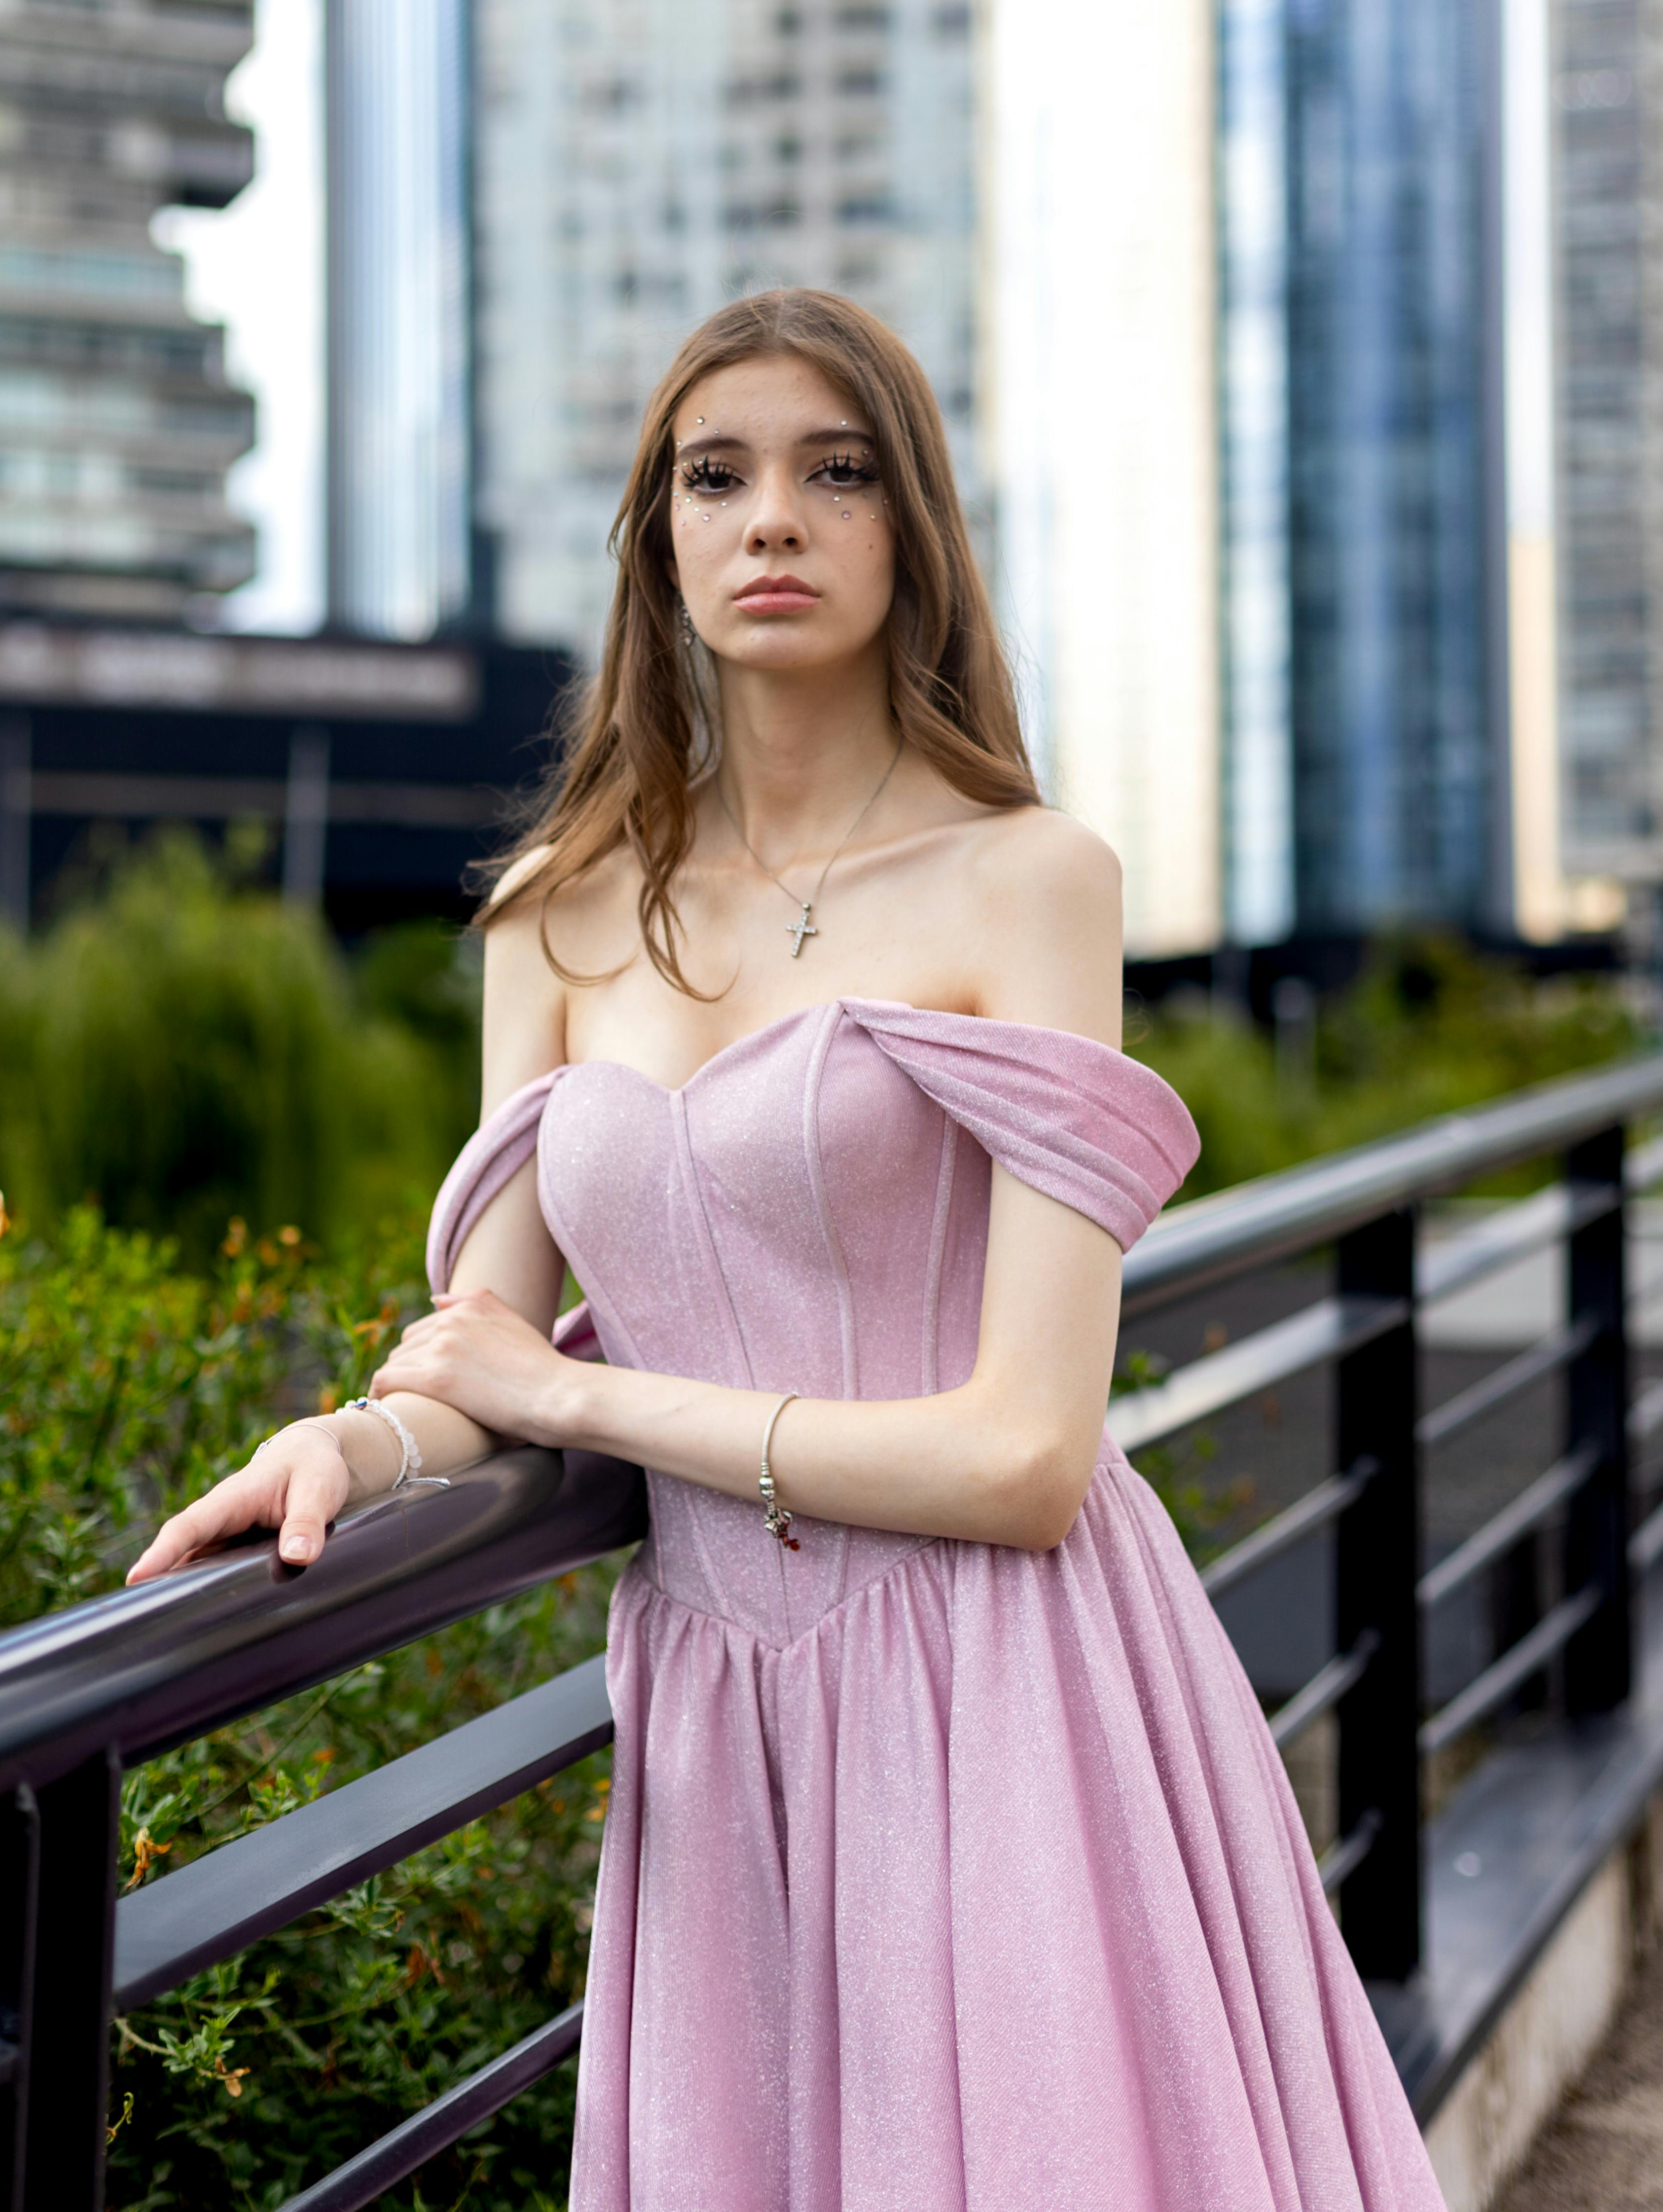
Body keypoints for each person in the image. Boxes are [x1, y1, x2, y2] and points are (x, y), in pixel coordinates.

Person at [131, 290, 1444, 2211]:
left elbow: (1024, 1458)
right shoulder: (554, 919)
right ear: (659, 538)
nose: (772, 521)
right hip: (717, 1723)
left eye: (836, 473)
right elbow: (476, 1340)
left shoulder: (1031, 879)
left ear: (910, 529)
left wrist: (581, 1395)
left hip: (1012, 1696)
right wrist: (356, 1446)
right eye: (716, 475)